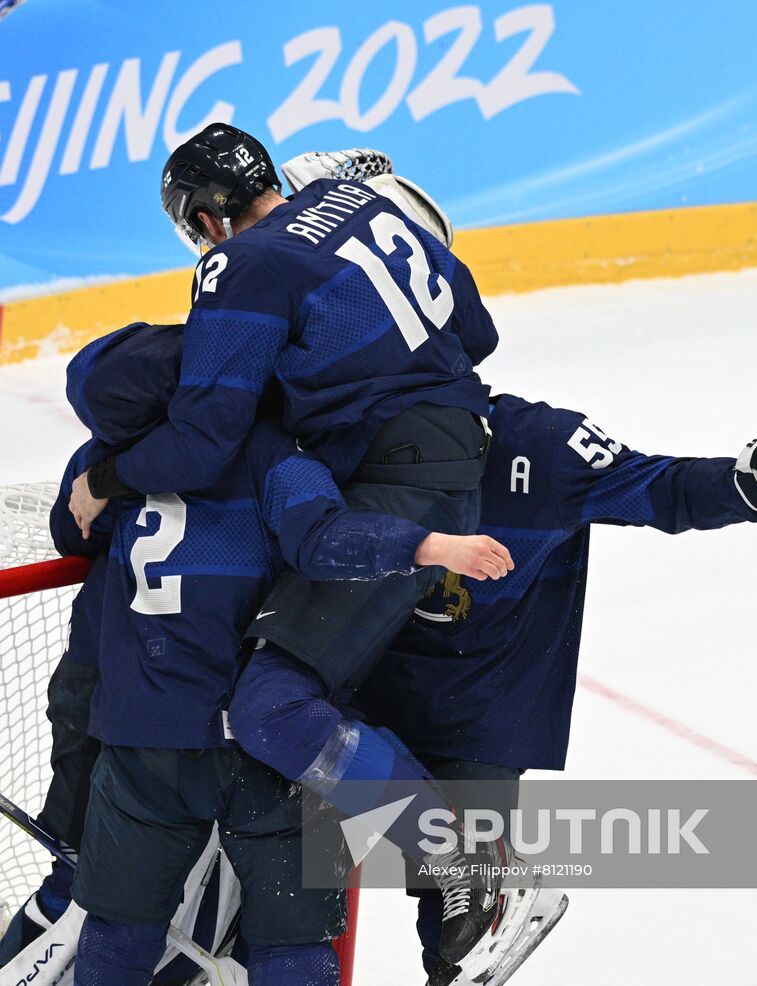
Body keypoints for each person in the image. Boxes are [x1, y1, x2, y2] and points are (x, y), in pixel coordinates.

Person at [66, 123, 509, 963]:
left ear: (203, 220)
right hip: (459, 446)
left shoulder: (240, 262)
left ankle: (459, 860)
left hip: (396, 475)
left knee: (271, 707)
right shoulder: (356, 202)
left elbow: (203, 438)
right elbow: (476, 332)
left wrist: (110, 476)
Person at [11, 321, 512, 985]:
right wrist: (428, 545)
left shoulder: (104, 466)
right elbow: (329, 539)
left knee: (115, 937)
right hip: (265, 757)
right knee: (293, 946)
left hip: (142, 745)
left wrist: (109, 469)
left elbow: (66, 533)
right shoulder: (274, 457)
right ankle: (451, 851)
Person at [356, 398, 757, 985]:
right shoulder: (337, 429)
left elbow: (660, 488)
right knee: (291, 894)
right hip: (344, 693)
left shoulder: (543, 449)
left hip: (475, 706)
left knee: (465, 937)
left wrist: (746, 486)